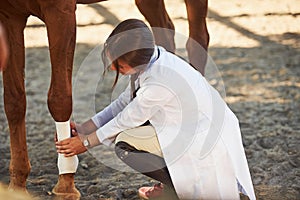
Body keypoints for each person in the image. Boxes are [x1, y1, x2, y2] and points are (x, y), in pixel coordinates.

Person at [55, 19, 256, 200]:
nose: (114, 70)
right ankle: (172, 184)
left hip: (204, 138)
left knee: (125, 144)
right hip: (194, 127)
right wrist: (86, 127)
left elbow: (126, 119)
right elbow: (123, 103)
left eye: (120, 66)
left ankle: (174, 189)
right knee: (133, 133)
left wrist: (87, 142)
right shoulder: (153, 57)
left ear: (135, 63)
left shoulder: (159, 82)